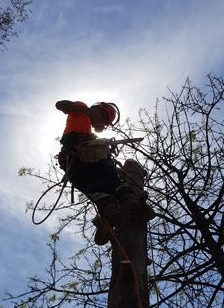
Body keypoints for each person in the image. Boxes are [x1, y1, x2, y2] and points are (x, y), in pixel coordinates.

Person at [56, 99, 153, 244]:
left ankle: (118, 205)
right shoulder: (81, 108)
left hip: (83, 155)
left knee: (96, 179)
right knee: (102, 179)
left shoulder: (89, 130)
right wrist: (88, 111)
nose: (101, 124)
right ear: (97, 110)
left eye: (104, 122)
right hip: (79, 151)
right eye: (102, 120)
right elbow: (60, 105)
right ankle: (118, 205)